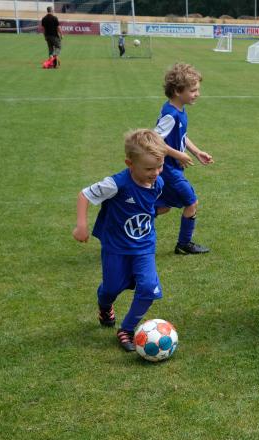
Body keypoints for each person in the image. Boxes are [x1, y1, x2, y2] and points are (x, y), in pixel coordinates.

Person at [72, 130, 167, 352]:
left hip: (144, 247)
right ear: (130, 163)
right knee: (111, 288)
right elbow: (84, 195)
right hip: (116, 248)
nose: (155, 173)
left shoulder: (158, 182)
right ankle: (105, 306)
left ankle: (126, 329)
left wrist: (160, 209)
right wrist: (81, 225)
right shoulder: (116, 184)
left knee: (149, 288)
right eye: (149, 168)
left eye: (159, 166)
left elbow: (149, 207)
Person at [154, 63, 214, 255]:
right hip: (169, 169)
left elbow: (181, 136)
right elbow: (154, 141)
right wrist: (178, 154)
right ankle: (184, 244)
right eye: (193, 90)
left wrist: (197, 152)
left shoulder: (178, 110)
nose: (197, 94)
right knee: (192, 202)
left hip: (173, 168)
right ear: (179, 91)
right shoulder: (171, 114)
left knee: (163, 207)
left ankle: (128, 222)